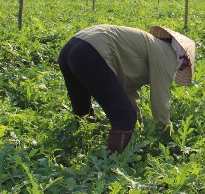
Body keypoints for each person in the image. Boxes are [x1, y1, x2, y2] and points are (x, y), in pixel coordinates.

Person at [58, 24, 195, 153]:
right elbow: (160, 99)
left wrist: (138, 124)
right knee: (125, 119)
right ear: (185, 60)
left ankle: (78, 150)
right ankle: (112, 167)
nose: (181, 69)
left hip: (71, 49)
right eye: (184, 67)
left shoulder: (150, 47)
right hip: (91, 52)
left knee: (83, 113)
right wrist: (165, 138)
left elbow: (126, 89)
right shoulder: (169, 56)